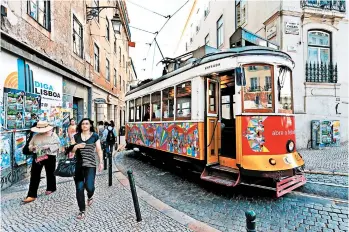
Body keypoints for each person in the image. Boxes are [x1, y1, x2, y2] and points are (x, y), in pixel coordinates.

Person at [71, 118, 103, 219]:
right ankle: (82, 210)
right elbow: (71, 150)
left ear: (90, 125)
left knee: (90, 187)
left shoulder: (94, 136)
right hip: (78, 166)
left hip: (90, 165)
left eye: (87, 124)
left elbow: (99, 150)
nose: (84, 125)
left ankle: (90, 195)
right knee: (79, 188)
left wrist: (101, 162)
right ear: (80, 126)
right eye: (83, 124)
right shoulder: (75, 137)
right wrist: (76, 147)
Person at [22, 121, 60, 204]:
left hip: (50, 156)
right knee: (34, 174)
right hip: (39, 156)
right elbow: (30, 145)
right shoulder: (36, 136)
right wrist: (33, 148)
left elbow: (58, 145)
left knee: (50, 173)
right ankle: (31, 195)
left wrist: (49, 146)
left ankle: (51, 187)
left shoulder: (53, 135)